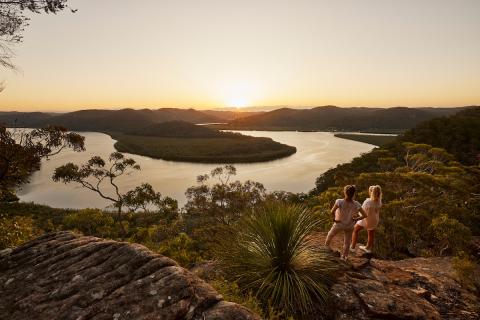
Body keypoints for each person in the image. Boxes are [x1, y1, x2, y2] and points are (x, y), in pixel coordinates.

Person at [325, 185, 367, 260]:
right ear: (354, 193)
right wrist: (356, 219)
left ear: (345, 192)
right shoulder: (356, 204)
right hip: (349, 225)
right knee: (347, 242)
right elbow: (365, 215)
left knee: (330, 234)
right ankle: (344, 257)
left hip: (339, 224)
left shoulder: (339, 201)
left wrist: (334, 219)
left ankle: (326, 248)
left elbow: (332, 211)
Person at [350, 185, 382, 254]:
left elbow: (362, 211)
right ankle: (367, 248)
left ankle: (352, 247)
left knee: (355, 230)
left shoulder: (368, 201)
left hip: (366, 219)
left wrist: (356, 217)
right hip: (374, 220)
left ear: (371, 192)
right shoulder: (379, 201)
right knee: (371, 233)